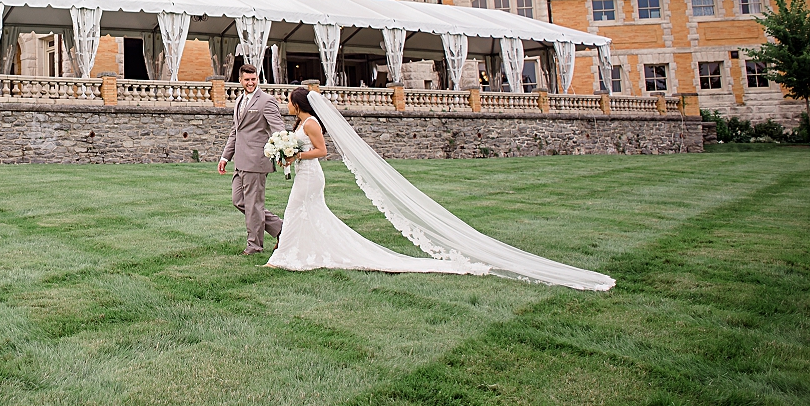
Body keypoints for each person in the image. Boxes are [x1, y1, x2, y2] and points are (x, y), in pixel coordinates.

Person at [266, 87, 616, 290]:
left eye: (289, 100)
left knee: (296, 211)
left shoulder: (310, 123)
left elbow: (323, 152)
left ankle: (288, 256)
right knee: (307, 214)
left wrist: (295, 153)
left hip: (311, 175)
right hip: (303, 174)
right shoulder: (300, 122)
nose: (286, 103)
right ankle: (300, 253)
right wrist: (290, 155)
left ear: (299, 104)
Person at [217, 63, 284, 255]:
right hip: (239, 161)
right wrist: (225, 157)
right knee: (238, 201)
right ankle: (281, 228)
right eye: (247, 80)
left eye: (253, 79)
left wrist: (281, 150)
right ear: (240, 80)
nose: (251, 83)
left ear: (257, 78)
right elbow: (235, 132)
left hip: (257, 161)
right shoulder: (239, 101)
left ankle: (254, 245)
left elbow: (278, 129)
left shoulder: (266, 101)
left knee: (254, 205)